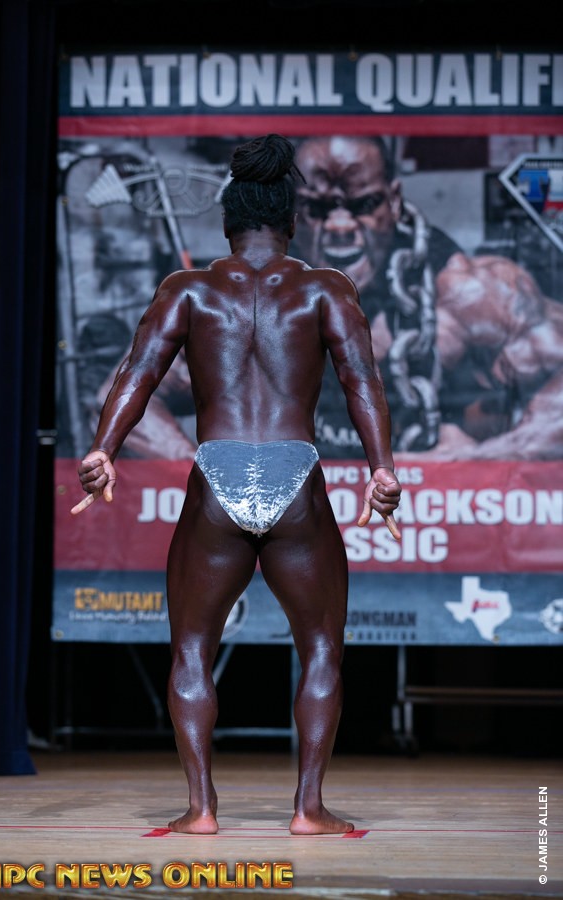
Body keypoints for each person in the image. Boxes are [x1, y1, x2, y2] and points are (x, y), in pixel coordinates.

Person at [71, 134, 402, 835]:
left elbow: (137, 372)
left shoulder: (188, 290)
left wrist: (104, 448)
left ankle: (201, 809)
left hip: (217, 476)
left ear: (228, 223)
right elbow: (362, 382)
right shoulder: (326, 288)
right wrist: (382, 468)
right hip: (294, 475)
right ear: (292, 222)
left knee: (192, 647)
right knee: (321, 648)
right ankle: (308, 809)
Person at [290, 135, 563, 459]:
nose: (339, 226)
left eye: (363, 205)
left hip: (430, 489)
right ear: (294, 210)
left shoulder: (465, 291)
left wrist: (476, 459)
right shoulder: (258, 289)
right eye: (317, 209)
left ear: (394, 201)